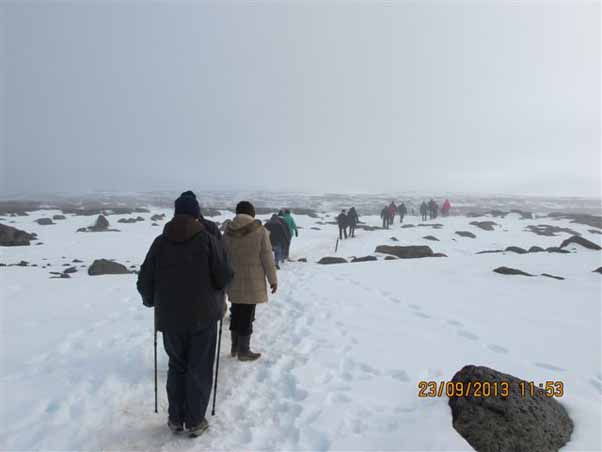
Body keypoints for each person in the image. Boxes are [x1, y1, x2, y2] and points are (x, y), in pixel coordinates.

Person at [137, 192, 233, 437]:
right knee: (199, 367)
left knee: (177, 365)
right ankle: (195, 421)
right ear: (196, 213)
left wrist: (150, 300)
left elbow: (145, 279)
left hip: (170, 319)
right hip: (204, 317)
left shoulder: (160, 242)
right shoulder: (207, 240)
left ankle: (175, 418)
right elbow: (223, 276)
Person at [224, 201, 277, 362]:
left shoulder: (228, 231)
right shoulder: (260, 231)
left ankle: (234, 347)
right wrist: (273, 280)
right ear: (252, 213)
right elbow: (267, 257)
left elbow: (222, 255)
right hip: (252, 282)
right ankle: (244, 351)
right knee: (247, 316)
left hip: (232, 279)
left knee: (236, 313)